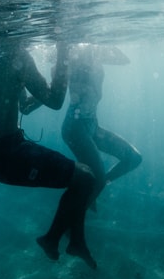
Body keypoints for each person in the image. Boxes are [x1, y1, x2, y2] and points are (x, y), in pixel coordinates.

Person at [0, 38, 99, 269]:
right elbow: (55, 101)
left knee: (83, 175)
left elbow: (24, 105)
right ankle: (52, 239)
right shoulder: (19, 57)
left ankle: (77, 241)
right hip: (7, 154)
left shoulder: (0, 59)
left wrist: (52, 83)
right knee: (86, 177)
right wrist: (63, 55)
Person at [61, 44, 142, 210]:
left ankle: (93, 189)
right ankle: (70, 223)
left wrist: (102, 46)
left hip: (92, 125)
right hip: (76, 128)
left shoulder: (95, 55)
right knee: (95, 179)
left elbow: (124, 60)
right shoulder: (77, 60)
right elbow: (68, 80)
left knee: (133, 158)